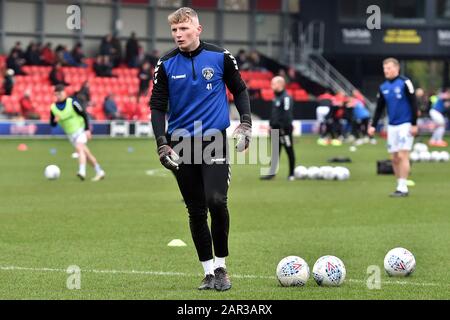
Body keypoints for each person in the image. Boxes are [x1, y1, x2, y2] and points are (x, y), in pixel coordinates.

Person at [150, 7, 252, 291]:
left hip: (214, 140)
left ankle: (221, 268)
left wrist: (245, 123)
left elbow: (240, 90)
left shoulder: (220, 57)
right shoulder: (165, 63)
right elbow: (157, 107)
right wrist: (162, 142)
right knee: (195, 210)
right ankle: (208, 272)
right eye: (174, 30)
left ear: (198, 29)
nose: (178, 35)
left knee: (217, 201)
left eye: (183, 29)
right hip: (181, 143)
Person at [368, 57, 418, 197]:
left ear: (396, 68)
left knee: (403, 155)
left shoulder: (405, 82)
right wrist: (373, 125)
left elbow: (414, 103)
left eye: (389, 68)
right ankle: (399, 185)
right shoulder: (383, 87)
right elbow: (379, 108)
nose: (386, 71)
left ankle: (403, 187)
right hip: (392, 126)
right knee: (394, 158)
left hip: (406, 124)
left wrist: (414, 124)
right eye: (385, 68)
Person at [50, 85, 105, 182]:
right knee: (86, 154)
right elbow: (52, 124)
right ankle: (99, 171)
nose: (59, 96)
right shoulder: (53, 108)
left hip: (80, 130)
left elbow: (83, 114)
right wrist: (55, 121)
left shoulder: (72, 103)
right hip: (70, 135)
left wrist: (87, 129)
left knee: (79, 148)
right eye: (56, 94)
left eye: (60, 93)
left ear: (64, 92)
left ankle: (82, 172)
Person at [260, 76, 296, 181]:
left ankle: (291, 174)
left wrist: (283, 128)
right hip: (275, 129)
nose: (271, 86)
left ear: (280, 84)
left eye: (273, 84)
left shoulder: (286, 98)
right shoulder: (276, 97)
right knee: (275, 151)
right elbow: (275, 114)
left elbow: (287, 114)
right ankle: (272, 173)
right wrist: (271, 125)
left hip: (284, 130)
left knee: (289, 150)